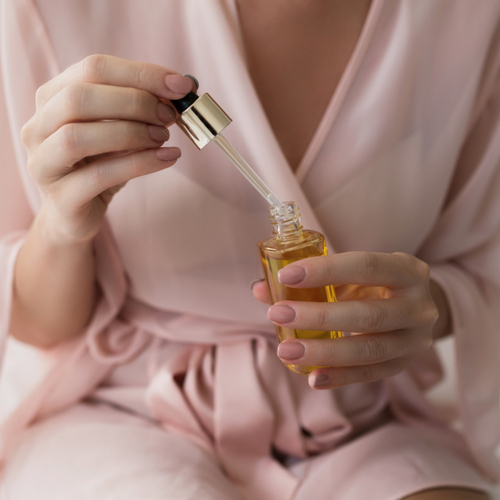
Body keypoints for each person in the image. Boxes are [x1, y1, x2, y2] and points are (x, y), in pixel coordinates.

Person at [0, 0, 499, 499]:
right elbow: (35, 323)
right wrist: (63, 225)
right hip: (122, 412)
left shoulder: (472, 19)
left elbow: (484, 271)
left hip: (354, 417)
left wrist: (423, 306)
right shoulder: (43, 11)